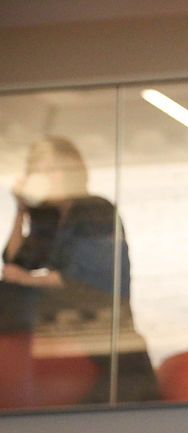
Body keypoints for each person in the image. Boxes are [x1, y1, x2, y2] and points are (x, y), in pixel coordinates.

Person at [1, 136, 159, 405]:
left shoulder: (96, 211)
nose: (47, 177)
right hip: (64, 318)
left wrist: (25, 279)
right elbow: (14, 262)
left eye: (53, 169)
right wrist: (21, 211)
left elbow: (76, 277)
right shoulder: (50, 218)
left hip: (99, 320)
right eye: (39, 171)